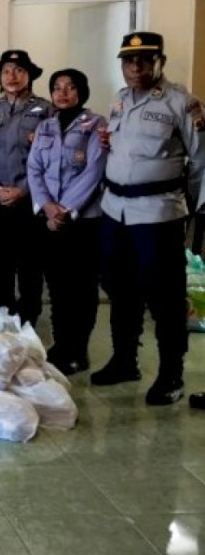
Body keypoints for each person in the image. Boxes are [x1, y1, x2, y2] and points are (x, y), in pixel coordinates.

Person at [94, 32, 205, 406]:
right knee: (119, 287)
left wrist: (193, 208)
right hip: (115, 210)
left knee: (164, 296)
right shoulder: (120, 100)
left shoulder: (183, 103)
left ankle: (171, 374)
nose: (136, 67)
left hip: (157, 212)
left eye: (145, 60)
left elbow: (200, 162)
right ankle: (124, 360)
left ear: (161, 62)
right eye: (129, 60)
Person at [26, 69, 107, 375]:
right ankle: (60, 345)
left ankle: (78, 350)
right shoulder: (45, 126)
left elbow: (95, 170)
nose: (62, 93)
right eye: (57, 88)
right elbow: (34, 168)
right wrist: (47, 207)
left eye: (70, 88)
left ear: (81, 92)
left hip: (82, 221)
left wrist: (64, 209)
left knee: (82, 288)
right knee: (57, 287)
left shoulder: (96, 124)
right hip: (48, 220)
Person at [0, 50, 53, 327]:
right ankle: (2, 320)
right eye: (6, 71)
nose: (12, 76)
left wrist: (25, 190)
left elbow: (52, 159)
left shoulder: (46, 110)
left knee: (31, 268)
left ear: (29, 76)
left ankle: (29, 322)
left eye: (19, 70)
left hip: (31, 201)